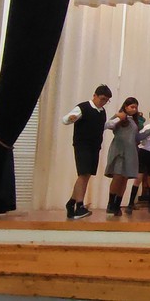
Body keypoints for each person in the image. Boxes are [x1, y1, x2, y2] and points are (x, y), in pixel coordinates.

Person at [61, 84, 112, 220]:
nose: (103, 102)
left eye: (106, 100)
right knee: (83, 174)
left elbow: (101, 126)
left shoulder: (102, 112)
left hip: (95, 147)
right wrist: (70, 118)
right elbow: (65, 119)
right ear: (95, 96)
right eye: (102, 99)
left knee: (87, 175)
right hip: (82, 145)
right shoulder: (83, 107)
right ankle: (79, 205)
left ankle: (71, 203)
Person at [104, 97, 150, 217]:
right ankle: (111, 203)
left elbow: (136, 137)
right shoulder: (120, 117)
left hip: (131, 151)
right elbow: (108, 125)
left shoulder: (134, 121)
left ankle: (118, 204)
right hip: (119, 150)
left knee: (125, 178)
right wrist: (118, 117)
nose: (134, 109)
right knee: (117, 176)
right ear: (126, 107)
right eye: (132, 107)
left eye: (136, 107)